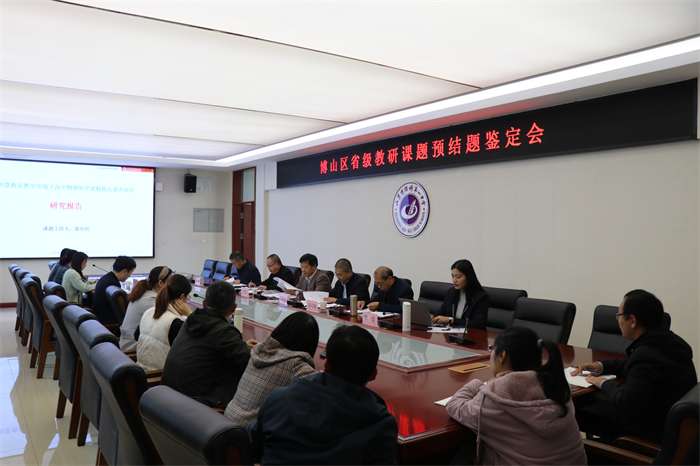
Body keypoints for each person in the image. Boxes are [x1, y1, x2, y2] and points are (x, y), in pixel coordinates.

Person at [254, 325, 397, 465]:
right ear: (373, 374)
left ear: (326, 364)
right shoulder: (380, 425)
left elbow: (255, 448)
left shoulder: (278, 399)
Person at [446, 327, 586, 465]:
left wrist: (478, 383)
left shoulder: (494, 398)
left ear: (502, 356)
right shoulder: (558, 386)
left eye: (492, 348)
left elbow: (454, 405)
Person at [571, 289, 696, 441]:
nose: (618, 321)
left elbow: (625, 401)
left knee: (576, 410)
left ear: (632, 320)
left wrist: (602, 383)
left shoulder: (647, 354)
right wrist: (601, 366)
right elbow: (633, 364)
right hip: (666, 421)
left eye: (619, 315)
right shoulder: (670, 342)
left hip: (646, 431)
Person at [162, 281, 253, 407]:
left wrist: (242, 345)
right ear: (233, 308)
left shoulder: (191, 320)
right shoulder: (224, 331)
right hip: (195, 403)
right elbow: (248, 362)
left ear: (204, 304)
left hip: (168, 394)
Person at [224, 312, 319, 427]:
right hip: (248, 431)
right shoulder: (297, 365)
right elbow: (317, 396)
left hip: (227, 419)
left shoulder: (258, 350)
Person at [136, 274, 192, 372]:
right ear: (182, 297)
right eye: (188, 297)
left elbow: (136, 336)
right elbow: (192, 351)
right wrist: (190, 315)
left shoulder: (149, 311)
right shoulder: (175, 323)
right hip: (158, 375)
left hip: (141, 370)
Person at [119, 266, 172, 352]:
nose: (172, 286)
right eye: (170, 282)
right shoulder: (150, 300)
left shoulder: (144, 294)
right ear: (161, 283)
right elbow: (167, 322)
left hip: (128, 341)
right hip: (132, 346)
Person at [431, 259, 489, 329]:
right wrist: (432, 317)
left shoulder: (481, 297)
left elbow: (478, 324)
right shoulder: (451, 292)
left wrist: (451, 320)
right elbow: (441, 312)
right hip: (451, 333)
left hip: (471, 334)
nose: (454, 280)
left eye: (458, 277)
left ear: (468, 277)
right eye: (453, 276)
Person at [92, 256, 136, 327]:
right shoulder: (113, 283)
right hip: (109, 324)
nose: (130, 276)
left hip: (100, 320)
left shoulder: (107, 278)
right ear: (124, 271)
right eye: (130, 273)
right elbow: (122, 309)